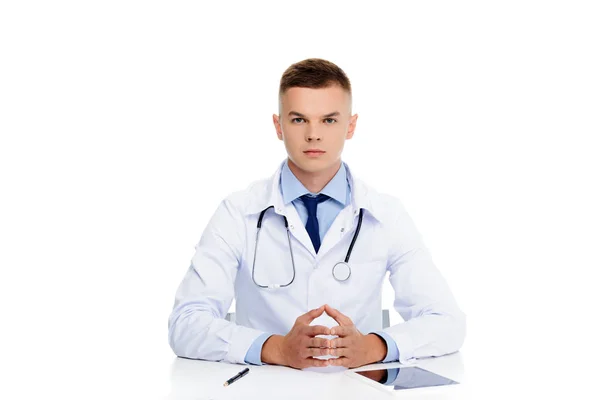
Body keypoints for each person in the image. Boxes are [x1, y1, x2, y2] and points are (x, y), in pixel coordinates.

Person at [168, 58, 465, 370]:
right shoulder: (237, 212)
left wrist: (373, 346)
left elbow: (447, 321)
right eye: (298, 120)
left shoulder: (386, 214)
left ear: (350, 126)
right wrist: (275, 348)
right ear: (278, 125)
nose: (313, 135)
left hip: (353, 390)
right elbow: (186, 323)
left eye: (329, 120)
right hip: (265, 388)